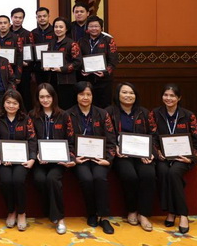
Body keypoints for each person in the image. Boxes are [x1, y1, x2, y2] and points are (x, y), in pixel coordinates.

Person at [149, 84, 197, 234]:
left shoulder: (189, 116)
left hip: (183, 157)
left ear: (179, 98)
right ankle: (171, 211)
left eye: (172, 96)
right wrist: (157, 153)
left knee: (174, 173)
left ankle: (183, 214)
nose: (168, 98)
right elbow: (152, 137)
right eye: (166, 95)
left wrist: (190, 159)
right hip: (163, 157)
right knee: (163, 172)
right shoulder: (155, 114)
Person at [67, 81, 117, 235]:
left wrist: (108, 159)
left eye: (88, 94)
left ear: (92, 96)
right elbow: (66, 140)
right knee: (86, 179)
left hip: (99, 158)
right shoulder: (68, 115)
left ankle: (104, 217)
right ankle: (92, 213)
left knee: (99, 178)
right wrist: (73, 158)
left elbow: (111, 139)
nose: (85, 97)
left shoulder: (102, 114)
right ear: (76, 96)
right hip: (80, 159)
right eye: (82, 94)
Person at [106, 82, 156, 232]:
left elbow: (153, 134)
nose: (128, 95)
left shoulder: (144, 113)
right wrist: (114, 147)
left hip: (141, 154)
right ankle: (132, 209)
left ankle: (144, 214)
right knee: (130, 176)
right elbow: (106, 134)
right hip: (121, 155)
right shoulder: (109, 112)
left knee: (148, 174)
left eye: (131, 93)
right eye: (124, 92)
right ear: (118, 95)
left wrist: (150, 151)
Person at [30, 83, 75, 235]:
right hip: (40, 160)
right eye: (42, 97)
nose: (45, 100)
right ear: (37, 98)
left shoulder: (64, 115)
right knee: (40, 179)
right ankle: (51, 210)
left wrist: (70, 158)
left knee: (52, 179)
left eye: (48, 96)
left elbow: (71, 140)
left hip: (58, 161)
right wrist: (35, 154)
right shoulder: (32, 115)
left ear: (53, 97)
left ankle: (60, 218)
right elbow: (31, 139)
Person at [0, 90, 36, 231]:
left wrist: (32, 158)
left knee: (18, 180)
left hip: (22, 160)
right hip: (4, 160)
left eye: (14, 103)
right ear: (3, 103)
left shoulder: (26, 119)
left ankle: (21, 212)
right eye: (8, 102)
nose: (11, 106)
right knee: (6, 181)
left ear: (19, 105)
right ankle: (11, 211)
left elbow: (32, 139)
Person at [79, 16, 118, 107]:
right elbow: (78, 59)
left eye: (96, 26)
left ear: (101, 28)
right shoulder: (81, 41)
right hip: (87, 80)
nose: (94, 29)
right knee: (87, 104)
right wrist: (81, 70)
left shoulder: (108, 40)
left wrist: (105, 72)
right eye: (91, 26)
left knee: (104, 105)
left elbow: (113, 60)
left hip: (104, 81)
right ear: (87, 28)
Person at [45, 17, 81, 109]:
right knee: (53, 106)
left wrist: (62, 69)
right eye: (56, 27)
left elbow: (77, 62)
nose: (58, 29)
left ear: (66, 29)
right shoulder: (51, 43)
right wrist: (45, 66)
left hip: (66, 81)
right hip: (52, 79)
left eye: (61, 27)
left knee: (65, 106)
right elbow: (47, 58)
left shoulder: (72, 44)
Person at [10, 8, 34, 108]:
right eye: (15, 17)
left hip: (24, 69)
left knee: (24, 93)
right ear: (11, 18)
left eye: (20, 18)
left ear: (23, 19)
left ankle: (26, 114)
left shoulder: (28, 34)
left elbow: (31, 51)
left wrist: (26, 62)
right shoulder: (6, 32)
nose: (17, 20)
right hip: (9, 68)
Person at [31, 7, 55, 85]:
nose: (42, 18)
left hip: (53, 66)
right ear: (36, 18)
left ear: (49, 16)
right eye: (39, 16)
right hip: (38, 67)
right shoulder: (33, 33)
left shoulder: (55, 31)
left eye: (44, 16)